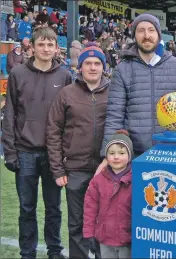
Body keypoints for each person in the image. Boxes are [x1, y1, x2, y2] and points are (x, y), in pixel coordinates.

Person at [1, 27, 71, 259]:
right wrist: (10, 152)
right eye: (41, 44)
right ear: (32, 46)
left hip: (53, 154)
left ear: (56, 48)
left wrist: (65, 153)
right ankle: (27, 253)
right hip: (25, 152)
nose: (46, 49)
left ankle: (54, 250)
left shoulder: (65, 76)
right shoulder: (17, 74)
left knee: (54, 208)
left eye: (50, 45)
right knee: (27, 208)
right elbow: (9, 114)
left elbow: (69, 118)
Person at [96, 13, 176, 172]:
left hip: (170, 153)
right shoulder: (122, 69)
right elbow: (115, 115)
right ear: (134, 35)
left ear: (158, 34)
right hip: (135, 155)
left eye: (151, 30)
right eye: (141, 31)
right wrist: (108, 153)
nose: (146, 35)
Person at [46, 45, 110, 258]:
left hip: (106, 169)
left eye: (97, 63)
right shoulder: (66, 94)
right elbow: (53, 131)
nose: (92, 67)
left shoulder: (114, 93)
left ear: (103, 66)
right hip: (75, 169)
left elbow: (121, 127)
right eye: (88, 63)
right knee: (77, 225)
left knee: (106, 224)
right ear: (80, 67)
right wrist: (58, 169)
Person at [83, 131, 133, 258]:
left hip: (128, 240)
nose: (116, 157)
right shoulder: (97, 180)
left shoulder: (137, 179)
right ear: (106, 156)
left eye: (121, 153)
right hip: (105, 239)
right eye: (112, 153)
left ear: (130, 155)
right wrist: (89, 234)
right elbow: (90, 209)